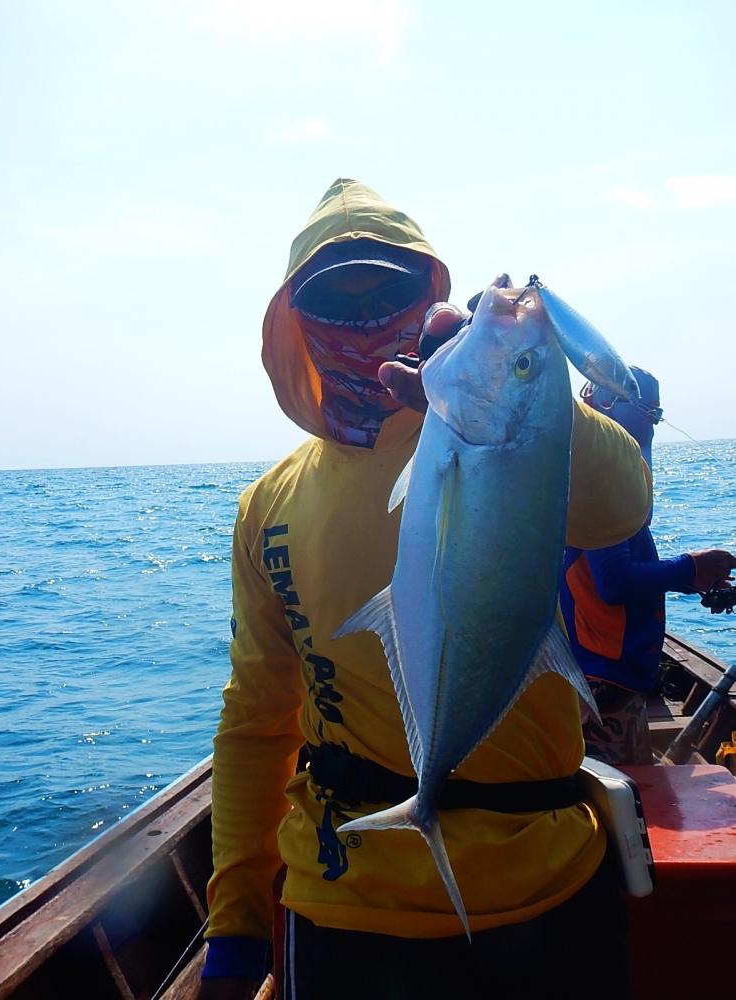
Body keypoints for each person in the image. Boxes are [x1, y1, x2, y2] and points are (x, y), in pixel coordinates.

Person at [198, 178, 654, 1000]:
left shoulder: (505, 429)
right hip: (345, 898)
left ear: (434, 294)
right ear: (294, 319)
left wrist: (532, 370)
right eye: (337, 295)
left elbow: (623, 505)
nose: (367, 314)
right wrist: (235, 920)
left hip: (546, 880)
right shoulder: (268, 505)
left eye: (392, 288)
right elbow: (256, 717)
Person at [561, 369, 736, 766]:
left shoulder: (598, 462)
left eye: (658, 412)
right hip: (602, 676)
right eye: (648, 410)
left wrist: (695, 577)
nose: (655, 422)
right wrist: (688, 569)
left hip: (603, 670)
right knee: (620, 801)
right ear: (606, 404)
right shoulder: (601, 471)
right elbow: (613, 582)